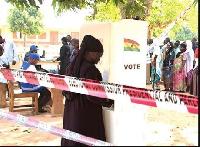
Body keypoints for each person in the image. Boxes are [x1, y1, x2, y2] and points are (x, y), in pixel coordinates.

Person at [61, 35, 114, 146]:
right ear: (92, 53)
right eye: (99, 56)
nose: (99, 59)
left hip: (72, 112)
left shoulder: (72, 66)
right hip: (85, 114)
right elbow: (94, 95)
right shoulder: (90, 70)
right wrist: (108, 101)